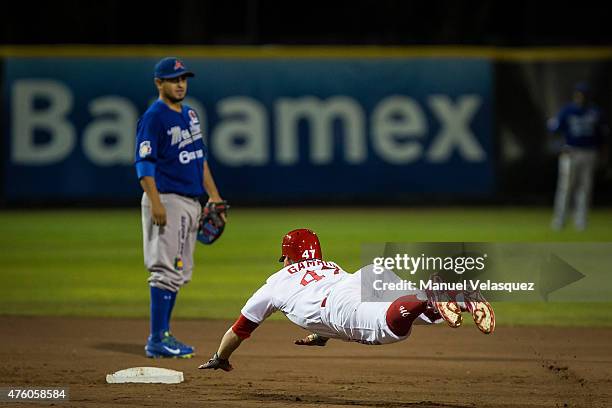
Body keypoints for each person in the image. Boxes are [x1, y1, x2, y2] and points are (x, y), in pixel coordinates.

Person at [198, 229, 494, 371]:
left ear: (288, 257)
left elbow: (239, 329)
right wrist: (321, 336)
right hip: (364, 276)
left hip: (338, 303)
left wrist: (220, 357)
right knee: (423, 314)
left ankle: (428, 295)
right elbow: (331, 307)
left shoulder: (274, 284)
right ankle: (461, 301)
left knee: (386, 328)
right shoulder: (329, 265)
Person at [134, 57, 225, 358]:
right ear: (159, 83)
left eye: (183, 78)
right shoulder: (154, 117)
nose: (180, 84)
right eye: (174, 79)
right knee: (164, 270)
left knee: (179, 271)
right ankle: (157, 338)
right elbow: (144, 163)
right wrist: (156, 201)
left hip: (190, 202)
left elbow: (199, 159)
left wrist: (214, 196)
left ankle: (165, 335)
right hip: (167, 200)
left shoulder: (190, 114)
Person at [548, 82, 608, 231]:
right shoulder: (568, 110)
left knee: (585, 188)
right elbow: (554, 129)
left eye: (584, 95)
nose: (581, 98)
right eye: (579, 95)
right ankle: (559, 220)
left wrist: (603, 154)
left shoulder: (595, 112)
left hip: (589, 152)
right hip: (571, 152)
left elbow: (604, 136)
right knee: (565, 187)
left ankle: (580, 221)